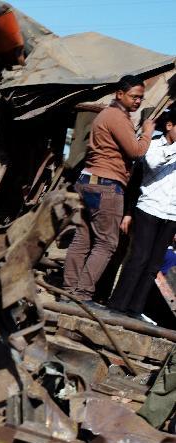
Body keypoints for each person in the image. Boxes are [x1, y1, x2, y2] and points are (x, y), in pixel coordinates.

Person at [63, 75, 156, 304]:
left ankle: (68, 291)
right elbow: (136, 151)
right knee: (106, 243)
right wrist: (147, 132)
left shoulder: (108, 114)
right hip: (106, 185)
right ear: (120, 94)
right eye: (134, 96)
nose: (138, 101)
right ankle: (82, 294)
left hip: (90, 181)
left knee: (83, 238)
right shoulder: (117, 117)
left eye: (141, 98)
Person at [107, 109, 176, 317]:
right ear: (169, 126)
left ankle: (134, 309)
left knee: (154, 264)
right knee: (139, 257)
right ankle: (118, 304)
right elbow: (153, 165)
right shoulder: (154, 145)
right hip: (149, 208)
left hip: (171, 215)